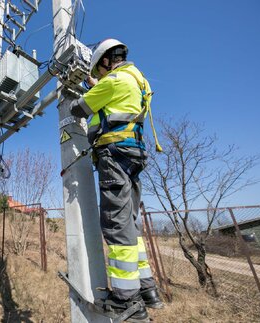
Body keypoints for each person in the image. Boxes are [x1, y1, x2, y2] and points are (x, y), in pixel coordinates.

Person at [69, 39, 163, 322]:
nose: (97, 75)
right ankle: (147, 289)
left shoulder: (113, 81)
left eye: (98, 69)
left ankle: (126, 300)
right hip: (134, 155)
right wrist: (94, 86)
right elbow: (112, 106)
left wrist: (85, 91)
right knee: (130, 223)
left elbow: (79, 109)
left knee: (115, 223)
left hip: (114, 155)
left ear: (106, 61)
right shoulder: (139, 81)